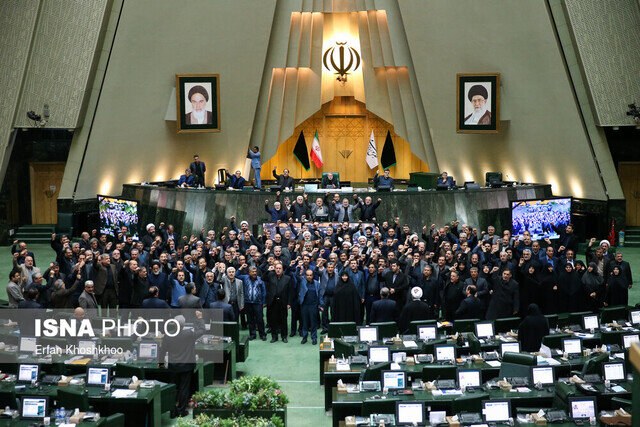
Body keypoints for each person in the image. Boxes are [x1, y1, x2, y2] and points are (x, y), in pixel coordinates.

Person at [162, 311, 205, 418]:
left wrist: (160, 363)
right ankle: (181, 411)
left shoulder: (168, 335)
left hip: (173, 366)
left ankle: (172, 411)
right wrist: (200, 318)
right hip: (186, 366)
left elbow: (162, 351)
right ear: (183, 325)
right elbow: (202, 330)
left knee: (173, 388)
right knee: (184, 388)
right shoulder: (188, 334)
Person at [264, 262, 292, 343]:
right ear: (274, 269)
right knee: (273, 320)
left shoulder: (287, 278)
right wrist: (268, 270)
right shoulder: (271, 276)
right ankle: (274, 337)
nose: (278, 270)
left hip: (283, 302)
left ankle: (284, 337)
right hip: (273, 302)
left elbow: (290, 292)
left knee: (283, 320)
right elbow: (263, 278)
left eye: (280, 268)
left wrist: (289, 303)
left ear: (282, 269)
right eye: (277, 268)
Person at [237, 266, 266, 341]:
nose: (254, 273)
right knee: (250, 320)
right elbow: (236, 275)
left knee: (260, 319)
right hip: (248, 303)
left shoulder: (260, 279)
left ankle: (262, 334)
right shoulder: (245, 278)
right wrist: (241, 268)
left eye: (255, 271)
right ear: (249, 272)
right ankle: (252, 335)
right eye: (252, 272)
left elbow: (263, 291)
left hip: (258, 303)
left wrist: (264, 302)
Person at [298, 268, 322, 345]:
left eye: (310, 275)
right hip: (304, 305)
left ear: (313, 276)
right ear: (305, 276)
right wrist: (298, 268)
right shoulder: (302, 282)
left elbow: (320, 295)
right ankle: (304, 337)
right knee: (304, 323)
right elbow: (296, 276)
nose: (309, 277)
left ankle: (314, 338)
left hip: (313, 306)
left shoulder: (317, 284)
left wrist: (321, 305)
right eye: (307, 275)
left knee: (313, 323)